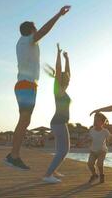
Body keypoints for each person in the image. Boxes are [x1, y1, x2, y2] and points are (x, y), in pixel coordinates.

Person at [4, 6, 71, 171]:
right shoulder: (27, 40)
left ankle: (13, 155)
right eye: (35, 29)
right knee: (24, 120)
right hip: (26, 85)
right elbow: (44, 31)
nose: (37, 32)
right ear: (30, 30)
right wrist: (58, 15)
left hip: (25, 85)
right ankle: (13, 156)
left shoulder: (22, 43)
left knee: (25, 120)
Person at [43, 43, 72, 183]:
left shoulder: (64, 90)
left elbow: (68, 72)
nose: (67, 80)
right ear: (60, 80)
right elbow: (59, 69)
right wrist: (59, 54)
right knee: (64, 150)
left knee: (62, 149)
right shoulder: (58, 90)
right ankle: (48, 175)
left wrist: (67, 58)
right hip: (58, 122)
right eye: (65, 79)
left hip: (60, 123)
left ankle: (53, 171)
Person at [87, 113, 111, 184]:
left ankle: (101, 175)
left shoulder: (105, 131)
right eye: (94, 120)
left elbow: (110, 138)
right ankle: (94, 175)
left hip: (102, 151)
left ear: (102, 122)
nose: (95, 122)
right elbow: (89, 138)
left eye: (97, 120)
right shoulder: (91, 130)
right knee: (90, 164)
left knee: (99, 164)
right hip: (93, 151)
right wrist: (83, 142)